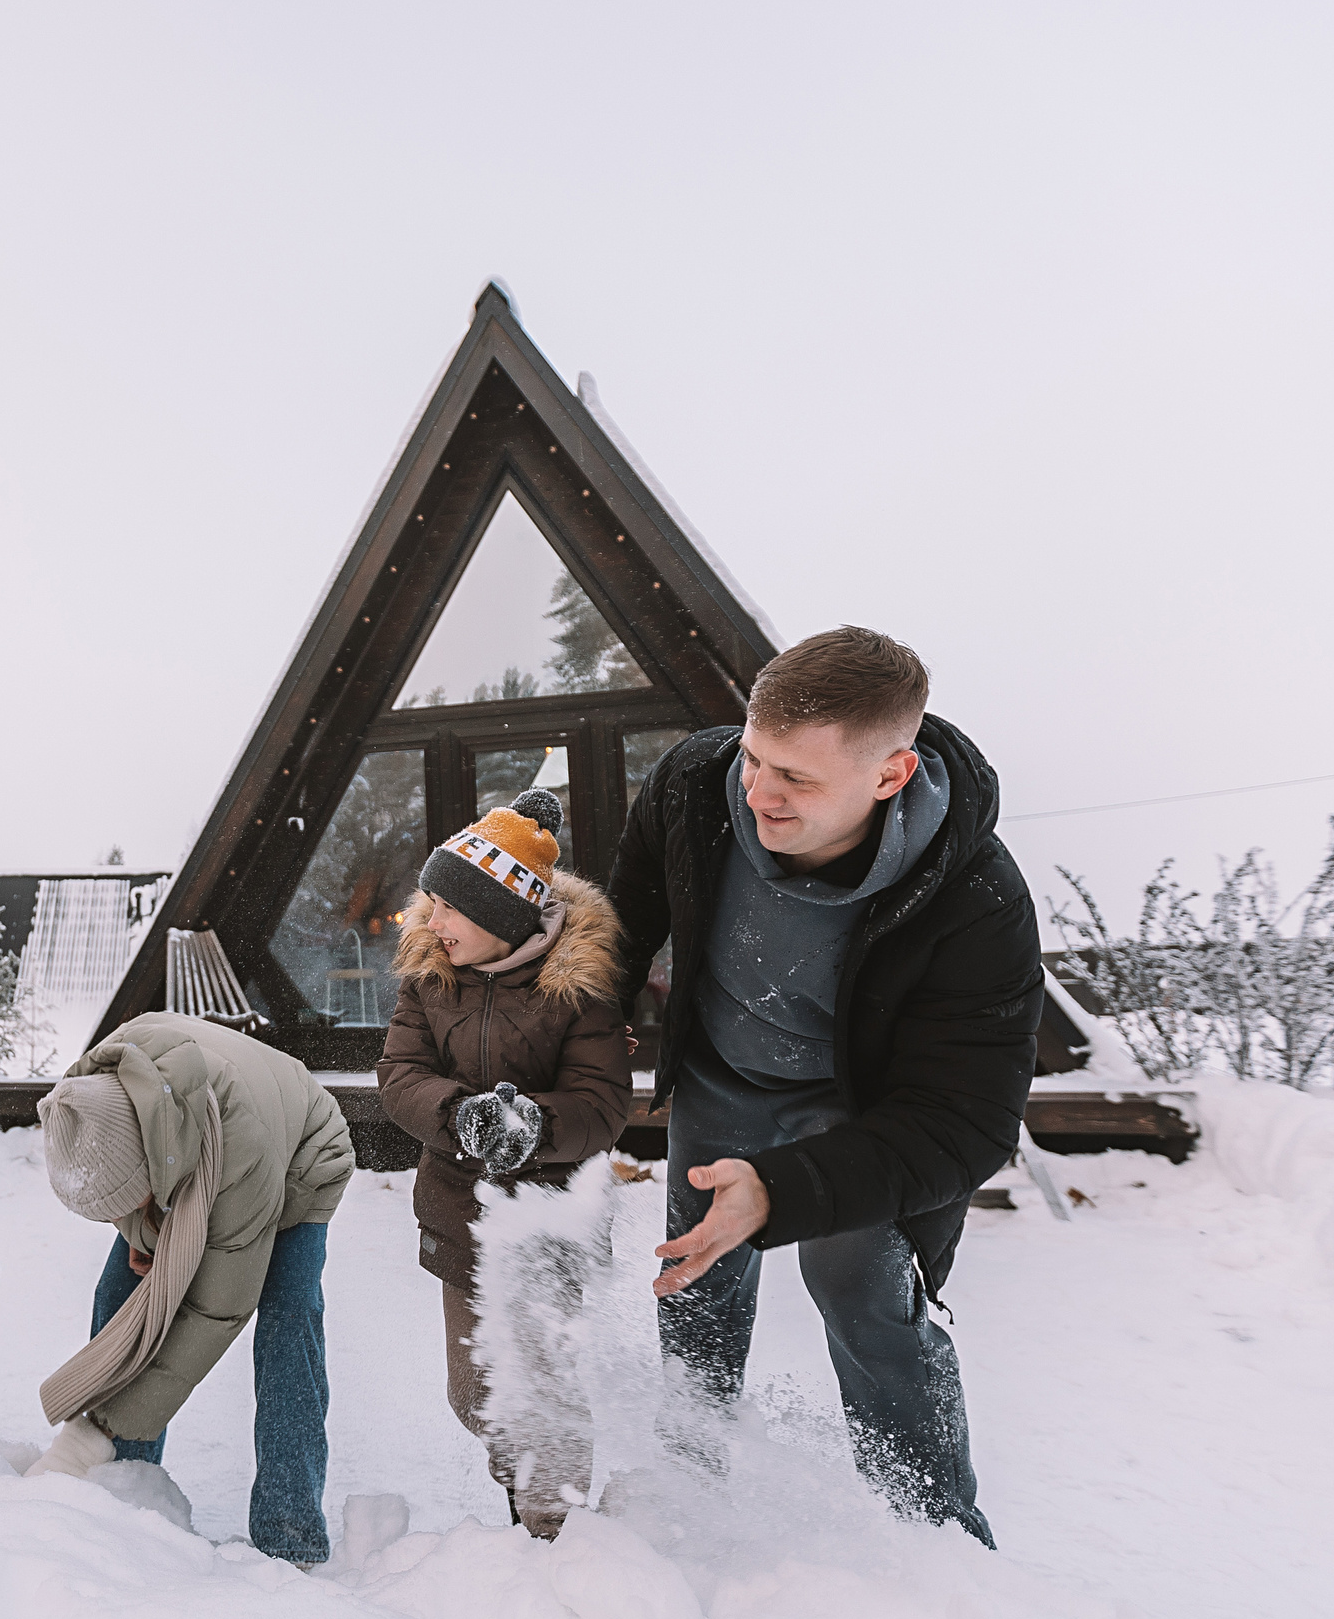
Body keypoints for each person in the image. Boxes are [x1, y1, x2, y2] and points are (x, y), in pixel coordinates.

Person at [607, 626, 1041, 1546]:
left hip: (860, 1115)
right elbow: (630, 908)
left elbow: (965, 1123)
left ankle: (937, 1538)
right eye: (755, 757)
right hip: (723, 1080)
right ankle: (689, 1494)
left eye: (796, 780)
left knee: (862, 1295)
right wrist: (585, 1022)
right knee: (694, 1285)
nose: (757, 793)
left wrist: (786, 1190)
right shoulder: (696, 784)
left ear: (889, 776)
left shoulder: (975, 899)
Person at [374, 787, 631, 1539]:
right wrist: (461, 1115)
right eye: (432, 903)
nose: (433, 920)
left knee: (542, 1385)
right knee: (475, 1392)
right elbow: (400, 1075)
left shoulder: (577, 983)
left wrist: (531, 1125)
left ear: (502, 915)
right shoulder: (429, 977)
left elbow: (603, 1100)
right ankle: (529, 1493)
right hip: (461, 1214)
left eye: (449, 907)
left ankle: (557, 1534)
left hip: (551, 1219)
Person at [26, 1013, 354, 1566]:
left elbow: (212, 1314)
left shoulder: (240, 1150)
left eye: (130, 1202)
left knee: (285, 1326)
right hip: (192, 1149)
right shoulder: (95, 1095)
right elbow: (123, 1176)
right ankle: (123, 1494)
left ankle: (289, 1535)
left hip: (300, 1156)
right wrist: (140, 1228)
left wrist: (96, 1429)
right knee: (119, 1297)